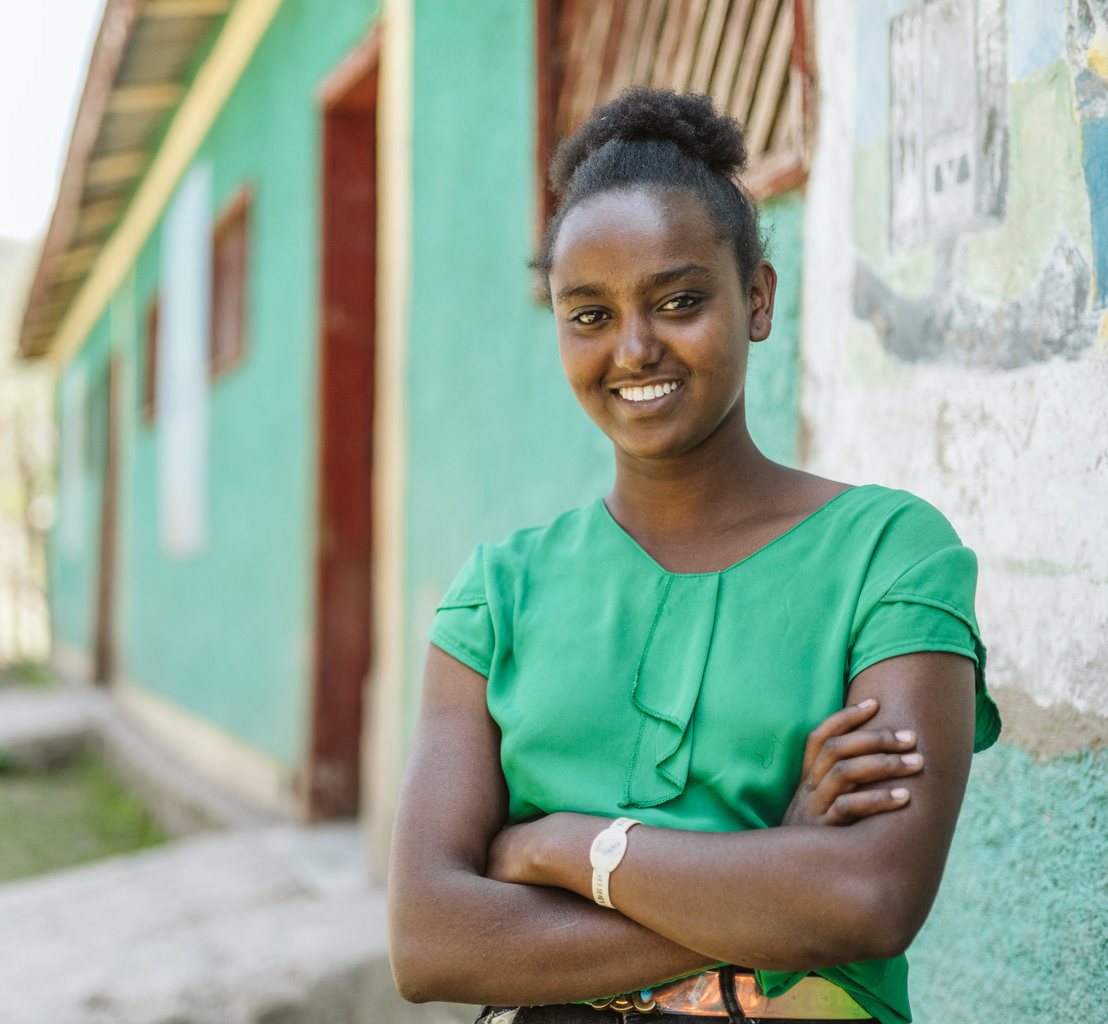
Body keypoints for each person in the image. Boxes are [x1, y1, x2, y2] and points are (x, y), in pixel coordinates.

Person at [386, 88, 1000, 1024]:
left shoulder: (889, 555)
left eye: (678, 300)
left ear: (757, 298)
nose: (634, 349)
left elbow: (870, 899)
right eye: (587, 314)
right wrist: (773, 883)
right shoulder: (498, 599)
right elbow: (429, 940)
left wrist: (562, 849)